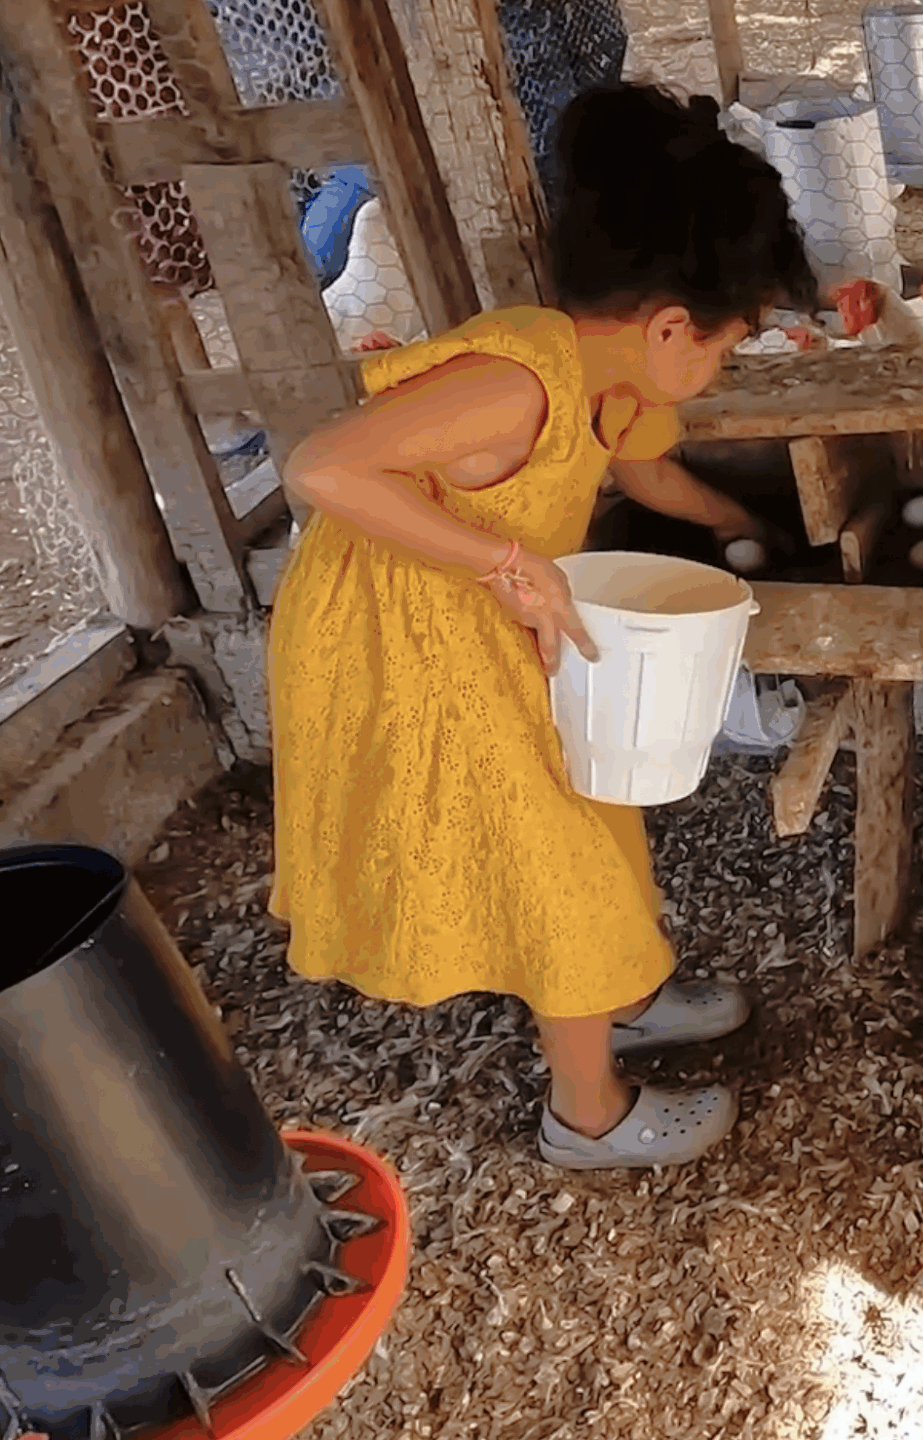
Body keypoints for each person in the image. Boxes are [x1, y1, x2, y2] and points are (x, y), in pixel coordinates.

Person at [266, 82, 817, 1170]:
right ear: (671, 326)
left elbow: (646, 467)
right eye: (725, 348)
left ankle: (629, 989)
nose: (718, 372)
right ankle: (591, 1113)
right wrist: (508, 559)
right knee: (556, 851)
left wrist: (743, 521)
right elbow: (323, 467)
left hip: (486, 617)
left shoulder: (607, 371)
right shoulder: (517, 378)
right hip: (405, 640)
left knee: (593, 806)